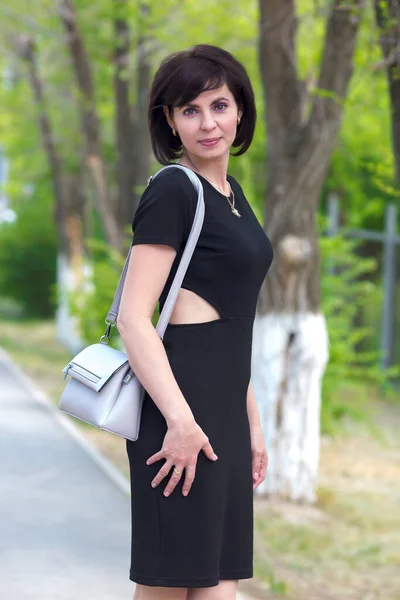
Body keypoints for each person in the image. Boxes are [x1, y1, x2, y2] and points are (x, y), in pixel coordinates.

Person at [117, 43, 273, 600]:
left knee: (219, 584)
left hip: (224, 413)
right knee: (170, 583)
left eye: (219, 105)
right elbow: (135, 318)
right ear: (171, 121)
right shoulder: (172, 191)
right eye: (190, 110)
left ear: (240, 111)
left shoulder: (233, 197)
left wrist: (251, 422)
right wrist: (181, 422)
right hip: (178, 411)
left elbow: (236, 323)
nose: (208, 123)